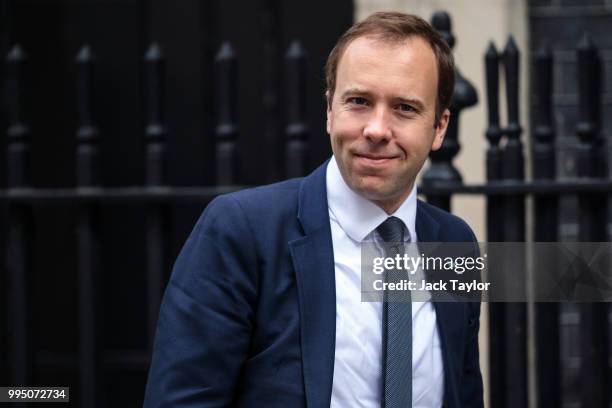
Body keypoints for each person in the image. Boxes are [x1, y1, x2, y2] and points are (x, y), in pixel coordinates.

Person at [144, 11, 483, 408]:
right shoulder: (240, 231)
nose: (376, 129)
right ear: (329, 110)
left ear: (440, 127)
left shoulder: (455, 242)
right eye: (358, 101)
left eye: (405, 108)